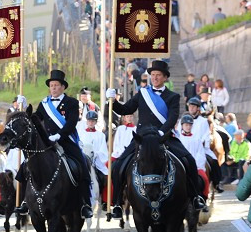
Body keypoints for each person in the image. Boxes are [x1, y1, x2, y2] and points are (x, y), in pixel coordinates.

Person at [106, 59, 205, 218]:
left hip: (163, 137)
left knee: (189, 161)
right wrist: (112, 101)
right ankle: (117, 202)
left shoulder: (173, 96)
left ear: (165, 77)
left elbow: (173, 117)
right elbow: (126, 109)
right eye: (153, 75)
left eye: (158, 75)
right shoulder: (143, 93)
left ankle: (195, 197)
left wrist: (162, 132)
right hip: (143, 139)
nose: (155, 78)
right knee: (118, 165)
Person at [16, 69, 94, 218]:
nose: (53, 88)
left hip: (66, 141)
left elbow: (71, 122)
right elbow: (35, 119)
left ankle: (85, 203)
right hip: (47, 143)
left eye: (56, 85)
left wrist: (59, 135)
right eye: (51, 85)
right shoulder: (44, 103)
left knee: (82, 165)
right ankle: (25, 201)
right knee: (25, 167)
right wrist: (25, 109)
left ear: (63, 87)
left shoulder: (72, 102)